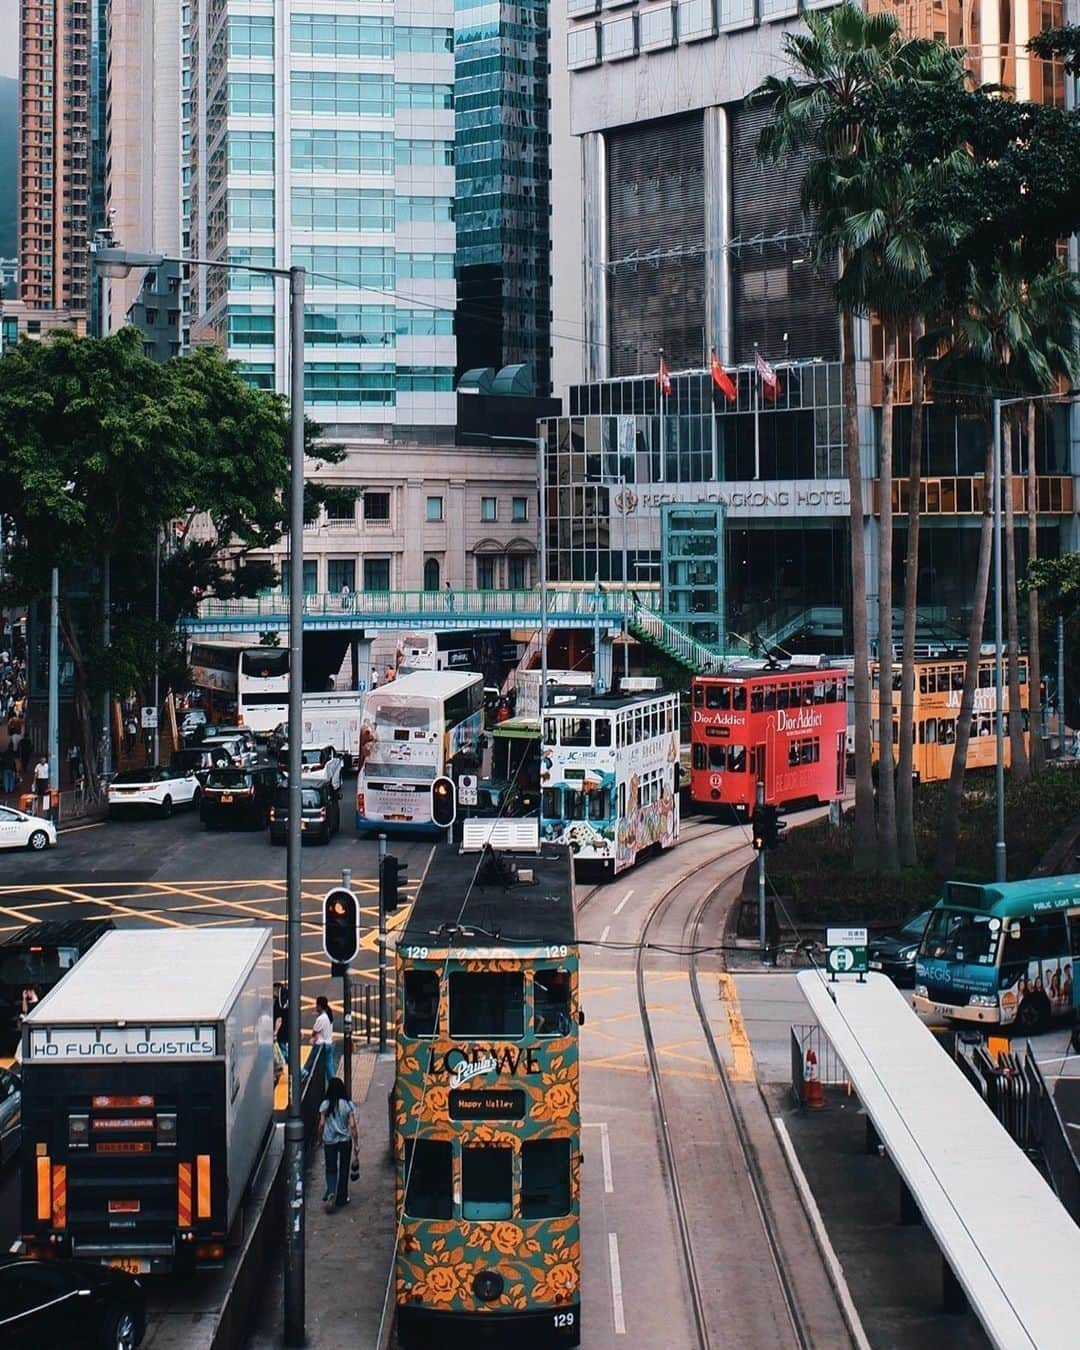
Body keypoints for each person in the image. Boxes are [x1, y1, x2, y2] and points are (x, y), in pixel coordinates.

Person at [317, 1076, 359, 1213]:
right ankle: (342, 1197)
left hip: (329, 1140)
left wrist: (320, 1139)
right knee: (344, 1168)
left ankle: (331, 1191)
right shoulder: (348, 1105)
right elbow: (352, 1126)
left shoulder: (325, 1104)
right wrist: (356, 1143)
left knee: (330, 1167)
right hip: (345, 1140)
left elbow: (322, 1124)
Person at [310, 995, 335, 1079]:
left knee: (312, 1064)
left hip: (320, 1045)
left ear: (320, 1006)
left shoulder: (321, 1019)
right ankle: (332, 1083)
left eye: (316, 1005)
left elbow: (314, 1032)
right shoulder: (328, 1015)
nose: (316, 1007)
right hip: (329, 1043)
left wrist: (313, 1037)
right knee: (329, 1066)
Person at [273, 982, 289, 1063]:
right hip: (289, 1031)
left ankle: (302, 1073)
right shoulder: (287, 999)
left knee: (285, 1055)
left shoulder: (279, 1004)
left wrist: (275, 1032)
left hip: (282, 1033)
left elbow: (279, 1019)